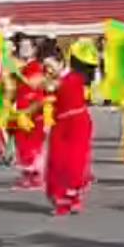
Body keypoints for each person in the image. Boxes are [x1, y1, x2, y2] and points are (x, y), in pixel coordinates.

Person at [45, 41, 96, 217]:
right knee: (57, 161)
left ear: (61, 63)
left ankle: (72, 198)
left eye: (51, 66)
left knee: (74, 161)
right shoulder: (54, 80)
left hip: (78, 123)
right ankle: (63, 199)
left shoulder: (75, 77)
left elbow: (53, 86)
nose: (48, 70)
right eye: (46, 67)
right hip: (60, 124)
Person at [8, 37, 50, 190]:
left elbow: (36, 86)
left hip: (34, 110)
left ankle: (37, 177)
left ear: (34, 50)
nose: (23, 50)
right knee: (22, 145)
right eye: (21, 47)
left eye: (27, 47)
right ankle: (27, 176)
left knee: (33, 145)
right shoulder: (21, 67)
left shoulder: (36, 67)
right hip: (21, 110)